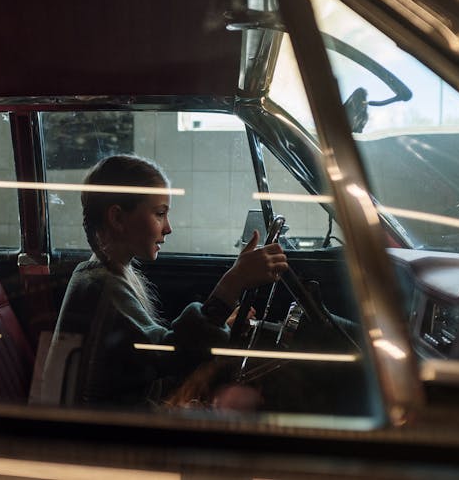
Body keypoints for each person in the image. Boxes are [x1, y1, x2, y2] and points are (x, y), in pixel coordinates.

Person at [45, 154, 288, 407]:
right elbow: (167, 354)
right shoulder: (99, 286)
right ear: (117, 218)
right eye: (160, 214)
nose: (168, 227)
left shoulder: (108, 275)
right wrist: (232, 283)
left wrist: (219, 320)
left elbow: (155, 351)